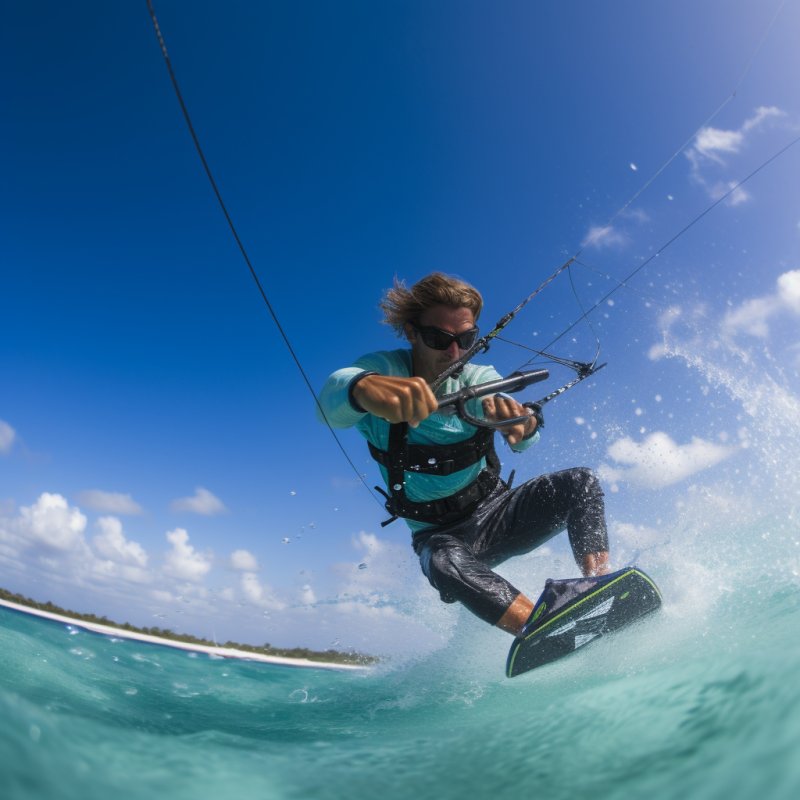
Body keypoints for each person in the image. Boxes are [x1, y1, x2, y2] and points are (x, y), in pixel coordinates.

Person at [318, 272, 610, 638]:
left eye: (466, 340)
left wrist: (523, 426)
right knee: (443, 562)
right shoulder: (386, 370)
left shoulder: (478, 377)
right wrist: (365, 389)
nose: (455, 352)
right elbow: (332, 398)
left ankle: (598, 589)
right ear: (412, 333)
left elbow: (521, 436)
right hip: (441, 537)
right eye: (439, 338)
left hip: (499, 513)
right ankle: (540, 630)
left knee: (581, 482)